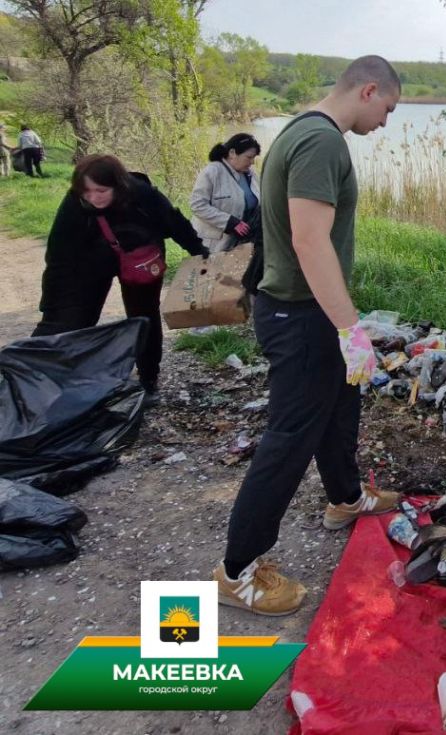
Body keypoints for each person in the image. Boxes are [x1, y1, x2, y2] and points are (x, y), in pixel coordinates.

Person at [214, 56, 403, 616]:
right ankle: (236, 569)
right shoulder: (322, 143)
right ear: (368, 91)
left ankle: (346, 497)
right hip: (299, 316)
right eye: (388, 109)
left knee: (341, 405)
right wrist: (350, 329)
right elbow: (308, 239)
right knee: (290, 437)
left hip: (307, 308)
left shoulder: (298, 129)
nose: (387, 123)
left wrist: (344, 326)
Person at [32, 154, 209, 397]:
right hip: (91, 263)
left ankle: (148, 379)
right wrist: (50, 302)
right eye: (87, 192)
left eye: (101, 191)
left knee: (144, 318)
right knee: (73, 320)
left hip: (141, 261)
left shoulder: (142, 195)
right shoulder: (75, 203)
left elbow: (175, 222)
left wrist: (199, 252)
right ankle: (41, 377)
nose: (93, 198)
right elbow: (58, 255)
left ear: (118, 185)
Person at [190, 133, 262, 253]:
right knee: (212, 271)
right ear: (232, 153)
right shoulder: (212, 172)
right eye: (249, 157)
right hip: (213, 243)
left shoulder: (251, 174)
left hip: (241, 243)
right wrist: (229, 222)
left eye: (254, 158)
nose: (252, 162)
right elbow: (197, 205)